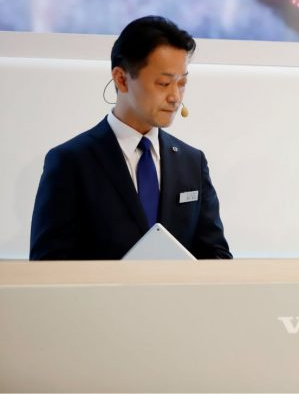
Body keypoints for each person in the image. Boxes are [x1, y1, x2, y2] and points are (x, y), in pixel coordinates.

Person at [30, 16, 232, 260]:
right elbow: (48, 266)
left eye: (182, 83)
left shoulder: (192, 162)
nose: (175, 97)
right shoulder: (70, 162)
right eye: (164, 83)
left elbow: (217, 256)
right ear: (122, 79)